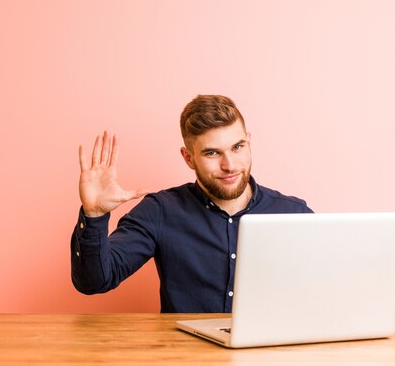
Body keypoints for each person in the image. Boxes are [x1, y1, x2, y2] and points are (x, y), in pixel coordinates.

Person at [71, 95, 313, 313]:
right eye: (212, 153)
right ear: (188, 158)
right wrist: (94, 216)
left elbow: (334, 285)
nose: (229, 165)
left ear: (248, 142)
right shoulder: (160, 211)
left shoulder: (294, 214)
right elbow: (94, 281)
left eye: (237, 147)